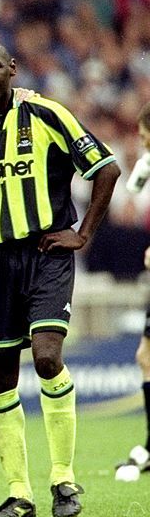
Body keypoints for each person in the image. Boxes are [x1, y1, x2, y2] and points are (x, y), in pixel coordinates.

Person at [0, 40, 120, 517]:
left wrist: (82, 234)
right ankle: (19, 492)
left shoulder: (45, 115)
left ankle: (63, 479)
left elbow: (106, 169)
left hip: (46, 254)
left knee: (45, 358)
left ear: (12, 69)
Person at [116, 102, 150, 481]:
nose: (142, 145)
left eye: (144, 137)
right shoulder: (145, 167)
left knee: (146, 355)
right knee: (146, 355)